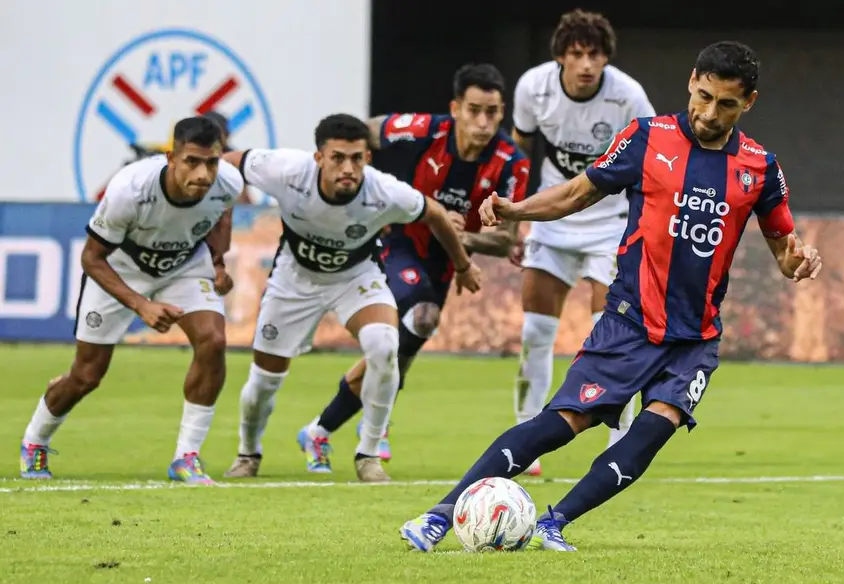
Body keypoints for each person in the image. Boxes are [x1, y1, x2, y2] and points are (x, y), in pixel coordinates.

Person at [399, 41, 823, 552]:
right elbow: (578, 192)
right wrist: (516, 211)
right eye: (704, 96)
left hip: (696, 337)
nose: (709, 113)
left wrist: (798, 262)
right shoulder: (648, 138)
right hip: (629, 322)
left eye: (726, 104)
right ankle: (438, 517)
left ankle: (554, 522)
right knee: (560, 424)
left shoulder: (760, 167)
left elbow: (785, 248)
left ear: (748, 102)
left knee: (652, 429)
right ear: (692, 80)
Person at [221, 114, 481, 482]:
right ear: (318, 158)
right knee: (264, 380)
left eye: (357, 158)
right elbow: (230, 163)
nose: (348, 168)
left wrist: (464, 265)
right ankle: (248, 454)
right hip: (294, 279)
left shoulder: (383, 190)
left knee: (384, 344)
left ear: (367, 159)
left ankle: (369, 455)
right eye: (338, 158)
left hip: (355, 276)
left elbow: (436, 214)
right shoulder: (284, 170)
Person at [301, 63, 530, 465]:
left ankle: (320, 429)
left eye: (492, 112)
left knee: (400, 352)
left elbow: (506, 240)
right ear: (455, 108)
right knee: (414, 321)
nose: (482, 122)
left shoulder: (512, 162)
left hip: (446, 260)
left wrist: (463, 238)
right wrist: (356, 178)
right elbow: (365, 129)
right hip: (399, 240)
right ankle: (373, 422)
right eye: (474, 110)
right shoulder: (425, 130)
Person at [19, 117, 242, 485]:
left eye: (212, 163)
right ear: (171, 157)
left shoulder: (228, 183)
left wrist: (217, 261)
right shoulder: (131, 189)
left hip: (182, 266)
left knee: (214, 341)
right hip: (122, 268)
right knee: (86, 376)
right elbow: (92, 258)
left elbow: (222, 212)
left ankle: (186, 457)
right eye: (192, 162)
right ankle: (34, 441)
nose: (203, 174)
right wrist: (141, 304)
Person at [510, 9, 656, 476]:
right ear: (560, 57)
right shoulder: (533, 88)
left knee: (610, 335)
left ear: (606, 59)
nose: (587, 64)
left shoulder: (628, 96)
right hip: (553, 222)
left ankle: (619, 441)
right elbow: (519, 153)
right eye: (577, 54)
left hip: (609, 224)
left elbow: (655, 162)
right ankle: (526, 430)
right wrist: (513, 221)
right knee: (535, 333)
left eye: (595, 54)